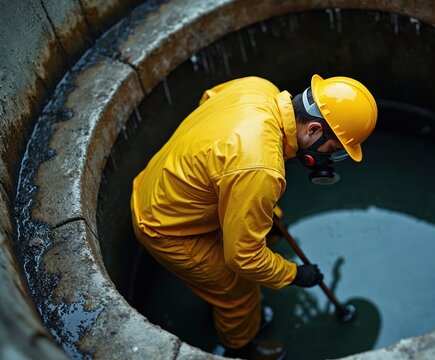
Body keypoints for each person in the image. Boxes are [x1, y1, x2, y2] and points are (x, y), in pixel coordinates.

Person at [130, 74, 377, 359]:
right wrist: (295, 274)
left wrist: (231, 179)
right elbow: (242, 258)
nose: (327, 161)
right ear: (312, 129)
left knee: (264, 221)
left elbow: (208, 101)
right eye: (332, 151)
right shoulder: (262, 169)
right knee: (239, 290)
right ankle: (241, 347)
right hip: (165, 228)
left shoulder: (259, 88)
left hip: (156, 183)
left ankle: (220, 301)